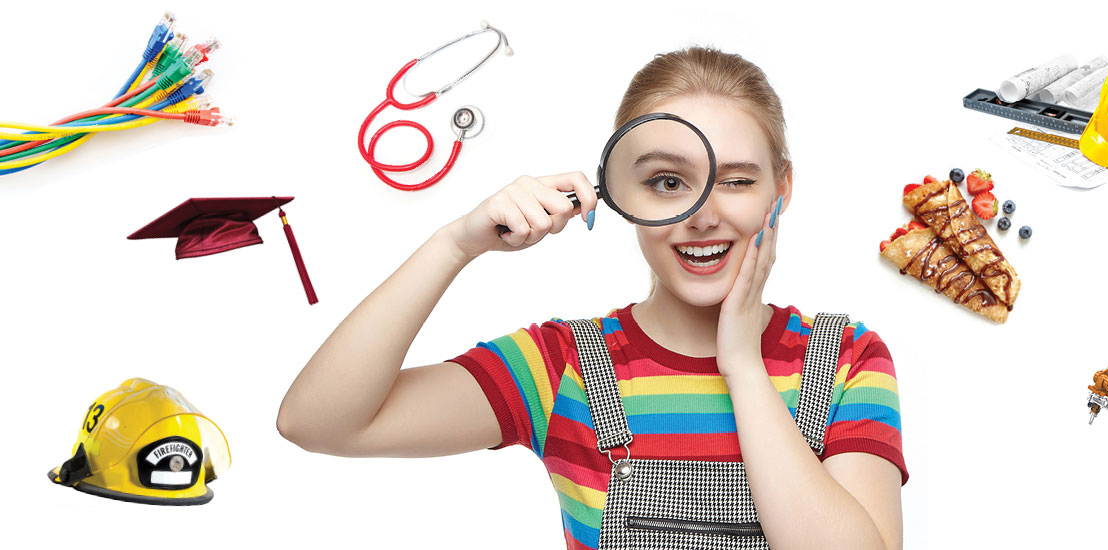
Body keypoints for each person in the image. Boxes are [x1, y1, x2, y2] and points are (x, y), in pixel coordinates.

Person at [278, 46, 907, 550]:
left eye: (738, 181)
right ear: (616, 192)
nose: (704, 215)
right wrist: (454, 245)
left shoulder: (846, 358)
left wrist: (740, 361)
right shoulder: (563, 367)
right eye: (667, 182)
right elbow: (318, 422)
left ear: (782, 190)